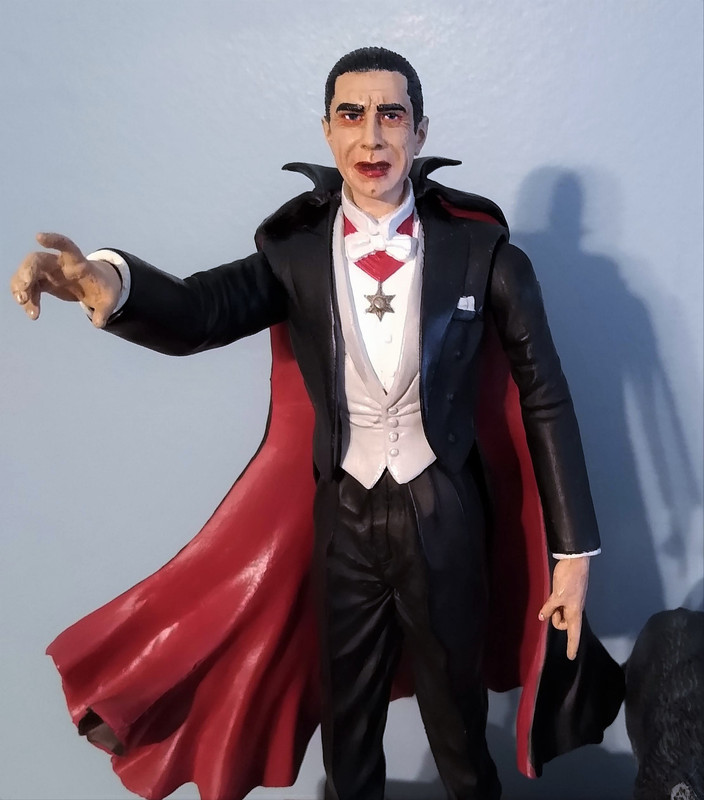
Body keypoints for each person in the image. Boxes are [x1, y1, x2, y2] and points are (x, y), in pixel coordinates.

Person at [11, 47, 623, 800]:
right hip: (345, 516)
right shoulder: (294, 253)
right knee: (348, 723)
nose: (372, 136)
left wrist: (572, 554)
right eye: (351, 115)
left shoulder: (483, 253)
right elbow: (201, 309)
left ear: (420, 132)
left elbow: (545, 397)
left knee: (458, 727)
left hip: (445, 517)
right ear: (327, 132)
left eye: (391, 114)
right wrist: (106, 281)